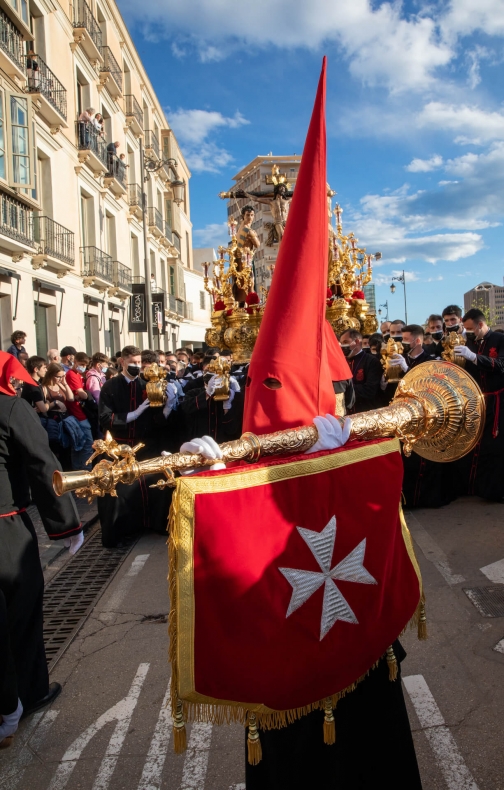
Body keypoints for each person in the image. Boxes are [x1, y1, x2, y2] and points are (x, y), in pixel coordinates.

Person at [0, 352, 82, 747]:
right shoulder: (10, 408)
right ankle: (26, 694)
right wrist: (65, 526)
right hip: (6, 531)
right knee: (23, 615)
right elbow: (41, 464)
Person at [97, 345, 180, 547]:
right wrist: (132, 415)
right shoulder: (110, 387)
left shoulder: (147, 384)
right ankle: (123, 530)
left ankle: (157, 523)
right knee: (117, 489)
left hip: (147, 446)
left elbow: (158, 420)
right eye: (132, 362)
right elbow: (104, 418)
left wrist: (168, 407)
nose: (136, 366)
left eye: (138, 362)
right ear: (122, 362)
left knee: (160, 481)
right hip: (121, 449)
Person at [456, 308, 504, 501]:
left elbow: (501, 365)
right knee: (478, 446)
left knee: (497, 447)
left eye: (470, 329)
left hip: (499, 401)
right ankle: (478, 488)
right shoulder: (471, 343)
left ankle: (497, 491)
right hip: (478, 401)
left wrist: (474, 357)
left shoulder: (500, 339)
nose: (468, 333)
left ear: (481, 325)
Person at [339, 329, 382, 412]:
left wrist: (345, 390)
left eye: (345, 342)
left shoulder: (372, 361)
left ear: (357, 342)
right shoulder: (341, 362)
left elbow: (370, 390)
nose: (342, 346)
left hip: (365, 411)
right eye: (341, 343)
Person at [65, 353, 94, 469]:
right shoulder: (71, 374)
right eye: (81, 364)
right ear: (75, 362)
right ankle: (86, 473)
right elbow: (82, 393)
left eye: (85, 365)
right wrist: (85, 394)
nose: (83, 367)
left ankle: (78, 471)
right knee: (87, 445)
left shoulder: (78, 374)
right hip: (78, 414)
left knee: (78, 446)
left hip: (78, 412)